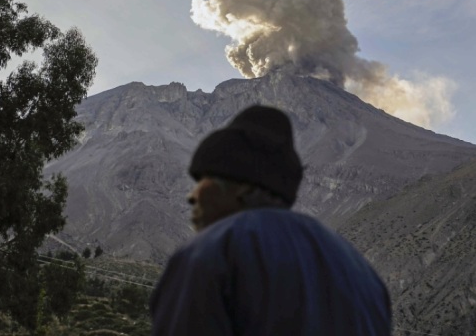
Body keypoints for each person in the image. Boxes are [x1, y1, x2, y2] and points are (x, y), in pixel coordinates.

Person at [150, 105, 392, 335]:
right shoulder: (361, 272)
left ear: (241, 188)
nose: (192, 196)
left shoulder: (211, 253)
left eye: (203, 180)